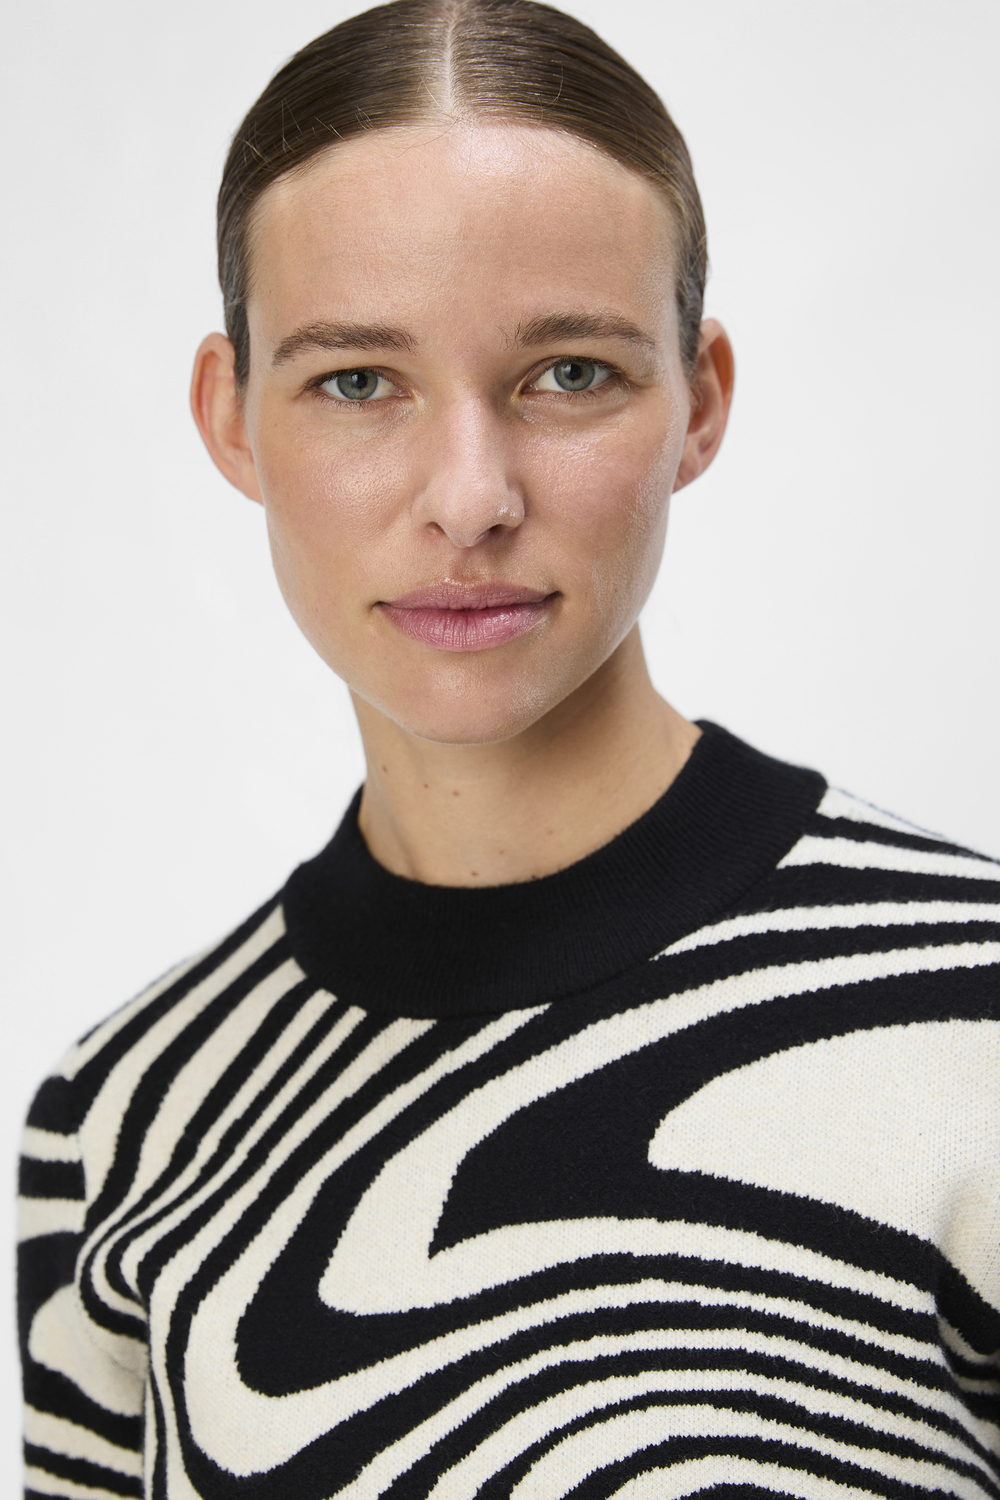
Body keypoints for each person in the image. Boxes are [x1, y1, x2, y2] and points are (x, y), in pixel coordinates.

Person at [17, 0, 1000, 1495]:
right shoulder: (123, 1119)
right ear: (233, 418)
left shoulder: (970, 1012)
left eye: (570, 374)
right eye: (358, 381)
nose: (469, 497)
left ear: (700, 403)